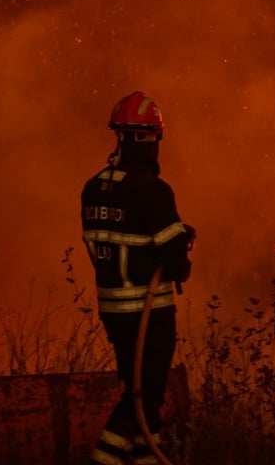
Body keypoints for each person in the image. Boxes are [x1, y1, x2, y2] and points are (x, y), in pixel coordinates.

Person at [81, 93, 194, 465]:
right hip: (149, 315)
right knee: (142, 401)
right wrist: (181, 245)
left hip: (114, 314)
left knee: (143, 401)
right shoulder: (154, 191)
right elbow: (176, 266)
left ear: (119, 136)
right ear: (153, 139)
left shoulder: (93, 188)